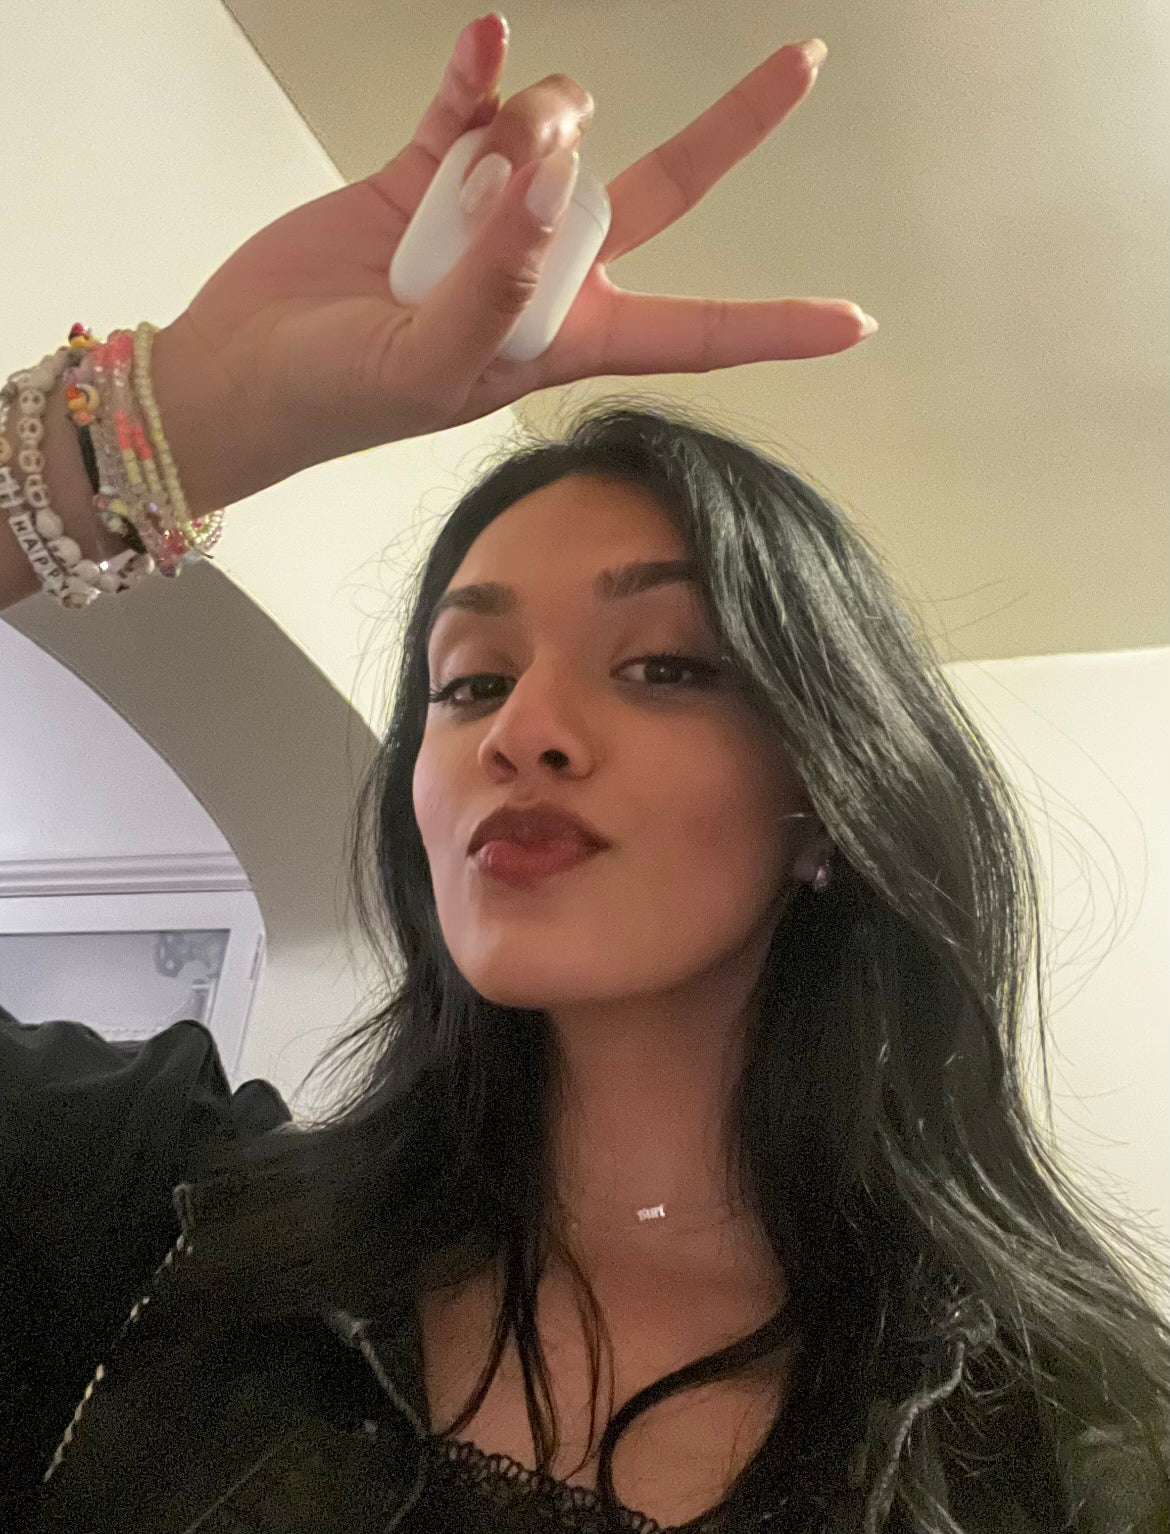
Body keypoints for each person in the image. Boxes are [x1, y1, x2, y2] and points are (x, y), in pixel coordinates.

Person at [1, 14, 1167, 1534]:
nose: (516, 730)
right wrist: (180, 414)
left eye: (665, 665)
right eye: (469, 680)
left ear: (826, 791)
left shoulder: (1075, 1459)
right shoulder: (140, 1215)